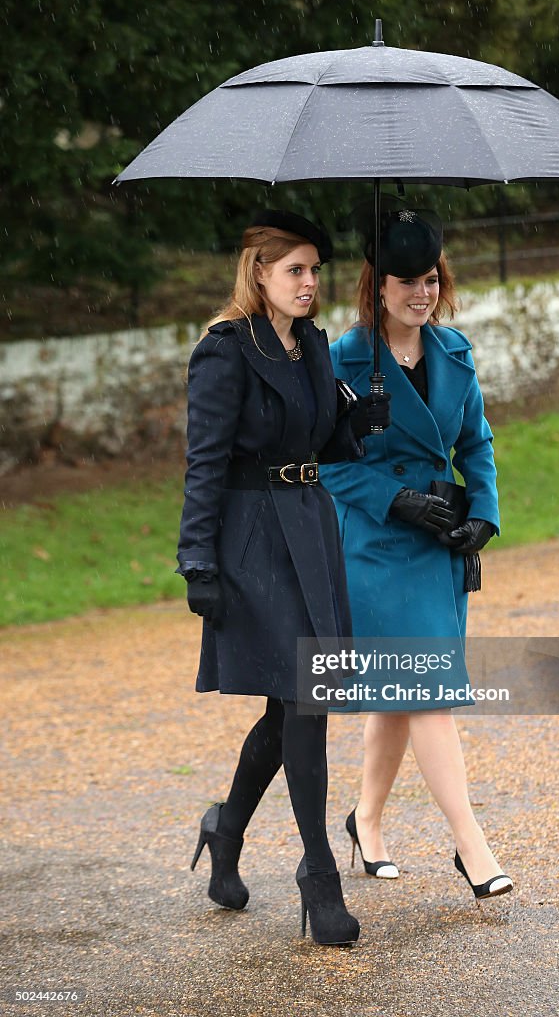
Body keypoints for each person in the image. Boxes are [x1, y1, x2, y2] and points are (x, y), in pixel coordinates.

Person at [176, 209, 390, 946]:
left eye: (315, 270)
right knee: (305, 699)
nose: (309, 282)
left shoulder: (314, 349)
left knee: (300, 699)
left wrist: (358, 422)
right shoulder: (223, 351)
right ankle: (318, 875)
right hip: (250, 539)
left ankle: (225, 824)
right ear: (259, 273)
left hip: (310, 527)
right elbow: (203, 462)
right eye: (294, 269)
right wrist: (195, 559)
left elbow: (323, 444)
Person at [319, 201, 513, 901]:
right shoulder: (340, 357)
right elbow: (327, 462)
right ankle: (472, 846)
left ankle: (365, 821)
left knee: (399, 692)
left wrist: (484, 516)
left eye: (429, 278)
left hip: (438, 541)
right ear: (376, 285)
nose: (420, 292)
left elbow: (476, 443)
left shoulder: (454, 351)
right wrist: (390, 499)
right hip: (374, 544)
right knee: (424, 688)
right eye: (405, 280)